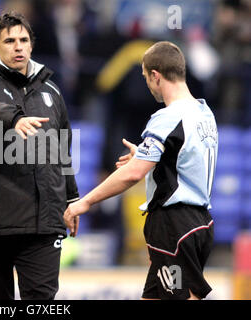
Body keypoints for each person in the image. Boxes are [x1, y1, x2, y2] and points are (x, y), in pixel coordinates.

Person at [64, 41, 218, 300]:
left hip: (173, 227)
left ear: (156, 75)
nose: (147, 84)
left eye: (146, 77)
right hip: (200, 223)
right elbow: (186, 161)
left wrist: (85, 202)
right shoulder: (204, 113)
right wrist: (152, 159)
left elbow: (133, 174)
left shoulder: (167, 117)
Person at [0, 11, 79, 300]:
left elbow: (62, 150)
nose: (18, 46)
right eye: (10, 41)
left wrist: (72, 199)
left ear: (32, 45)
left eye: (24, 40)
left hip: (43, 223)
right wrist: (14, 119)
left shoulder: (51, 91)